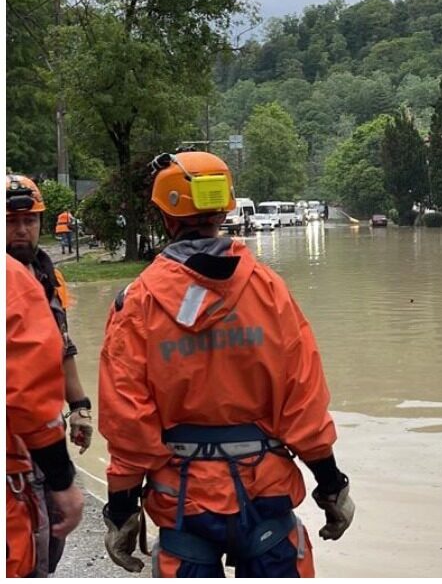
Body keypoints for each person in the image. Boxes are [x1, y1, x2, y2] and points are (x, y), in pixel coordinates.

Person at [98, 150, 354, 577]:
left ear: (164, 216)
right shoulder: (269, 291)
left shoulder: (136, 303)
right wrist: (331, 485)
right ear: (225, 210)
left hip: (183, 502)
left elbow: (128, 420)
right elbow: (303, 401)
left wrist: (122, 508)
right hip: (265, 495)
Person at [5, 175, 94, 576]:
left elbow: (58, 342)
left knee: (47, 539)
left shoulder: (43, 273)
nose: (22, 229)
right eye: (10, 221)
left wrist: (79, 405)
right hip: (19, 434)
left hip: (38, 428)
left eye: (30, 220)